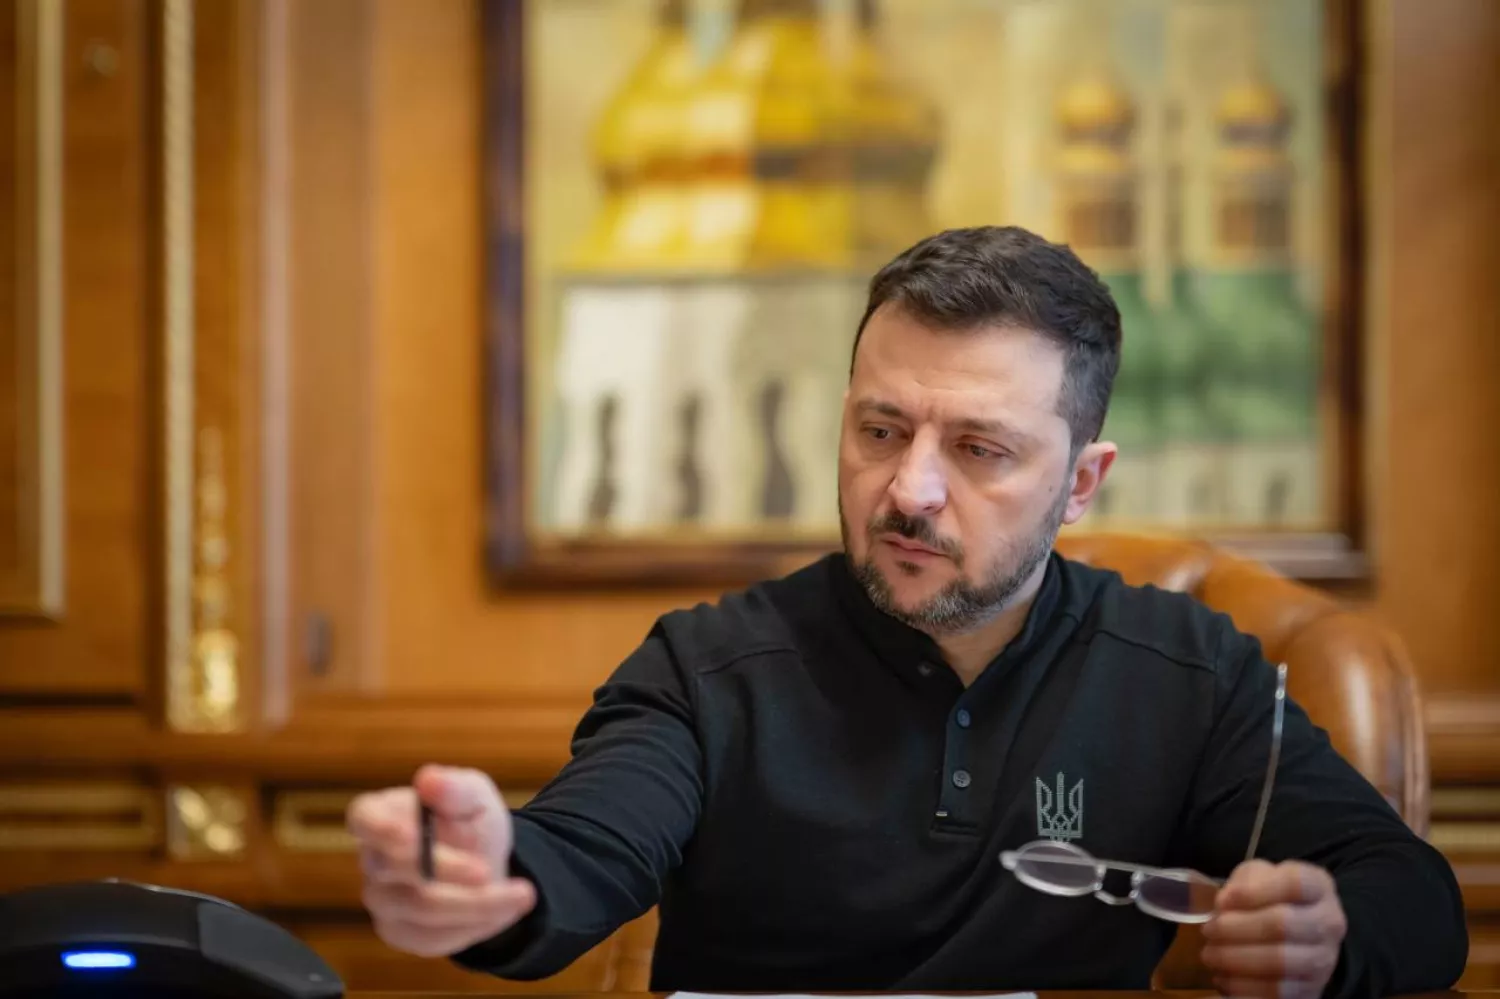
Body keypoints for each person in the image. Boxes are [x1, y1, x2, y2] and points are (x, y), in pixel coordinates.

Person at [347, 226, 1467, 999]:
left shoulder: (1188, 671)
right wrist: (490, 883)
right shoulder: (708, 667)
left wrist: (1328, 935)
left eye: (979, 449)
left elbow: (1412, 898)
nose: (910, 490)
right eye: (881, 431)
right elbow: (579, 855)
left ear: (1082, 483)